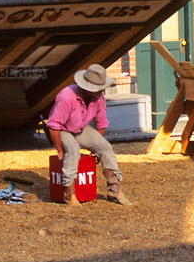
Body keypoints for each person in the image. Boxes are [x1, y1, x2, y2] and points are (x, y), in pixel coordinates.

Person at [47, 63, 132, 207]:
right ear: (87, 88)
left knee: (105, 148)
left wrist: (96, 148)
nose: (102, 90)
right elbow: (54, 125)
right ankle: (69, 193)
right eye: (99, 88)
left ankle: (114, 189)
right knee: (73, 150)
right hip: (63, 129)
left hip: (80, 128)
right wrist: (60, 150)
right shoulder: (67, 97)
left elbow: (101, 123)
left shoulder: (99, 98)